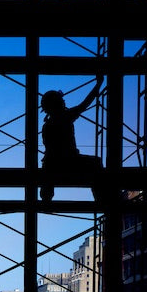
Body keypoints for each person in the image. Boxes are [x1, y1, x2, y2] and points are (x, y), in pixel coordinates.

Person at [40, 75, 105, 203]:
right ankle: (101, 200)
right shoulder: (65, 117)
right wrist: (99, 84)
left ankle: (46, 198)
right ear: (58, 103)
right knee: (96, 163)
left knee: (47, 168)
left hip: (52, 165)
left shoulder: (47, 125)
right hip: (70, 162)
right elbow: (84, 104)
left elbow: (49, 151)